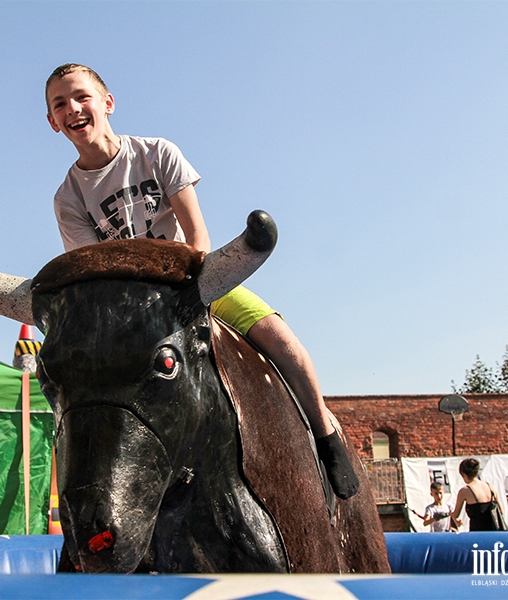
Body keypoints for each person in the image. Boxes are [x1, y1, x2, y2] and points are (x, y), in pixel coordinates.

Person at [43, 63, 358, 499]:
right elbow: (94, 269)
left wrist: (192, 291)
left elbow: (198, 238)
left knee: (282, 340)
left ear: (108, 103)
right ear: (52, 122)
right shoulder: (68, 199)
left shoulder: (157, 153)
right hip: (132, 310)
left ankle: (326, 438)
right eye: (60, 104)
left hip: (193, 282)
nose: (72, 109)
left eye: (82, 97)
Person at [450, 458, 500, 531]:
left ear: (463, 474)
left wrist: (449, 514)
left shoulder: (465, 491)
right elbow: (501, 510)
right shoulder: (490, 487)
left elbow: (456, 514)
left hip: (477, 532)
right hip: (494, 530)